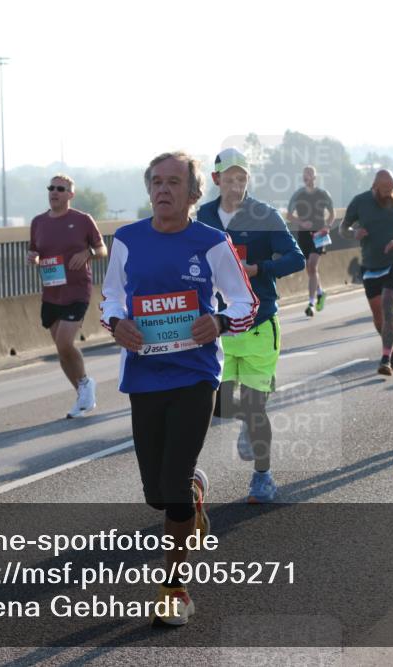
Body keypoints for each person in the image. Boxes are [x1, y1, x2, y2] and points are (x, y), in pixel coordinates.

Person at [100, 151, 258, 625]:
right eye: (156, 182)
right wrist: (116, 322)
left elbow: (244, 302)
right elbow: (110, 295)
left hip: (194, 376)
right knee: (157, 492)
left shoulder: (212, 242)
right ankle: (191, 490)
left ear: (194, 194)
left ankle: (175, 588)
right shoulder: (127, 239)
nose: (163, 190)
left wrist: (220, 321)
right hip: (144, 375)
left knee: (170, 491)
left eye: (173, 182)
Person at [198, 148, 304, 503]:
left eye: (242, 178)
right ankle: (244, 421)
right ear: (216, 180)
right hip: (220, 325)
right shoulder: (204, 217)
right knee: (220, 406)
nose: (236, 185)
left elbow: (295, 258)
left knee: (255, 405)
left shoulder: (264, 214)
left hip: (259, 322)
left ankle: (263, 477)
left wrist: (260, 269)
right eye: (229, 178)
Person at [27, 174, 107, 418]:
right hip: (52, 291)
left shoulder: (82, 220)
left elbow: (102, 249)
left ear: (70, 195)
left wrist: (88, 253)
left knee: (64, 342)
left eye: (61, 189)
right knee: (61, 350)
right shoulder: (38, 222)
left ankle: (84, 386)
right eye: (51, 187)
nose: (54, 192)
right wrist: (34, 259)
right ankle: (83, 391)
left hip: (77, 289)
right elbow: (35, 251)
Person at [341, 170, 393, 375]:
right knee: (378, 316)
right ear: (375, 186)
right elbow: (342, 227)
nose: (390, 193)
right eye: (385, 189)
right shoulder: (360, 202)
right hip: (370, 265)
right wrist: (353, 233)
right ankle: (391, 345)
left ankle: (385, 359)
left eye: (392, 188)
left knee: (388, 305)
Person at [287, 165, 336, 317]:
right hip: (303, 235)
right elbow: (289, 215)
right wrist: (301, 223)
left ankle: (311, 303)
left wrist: (327, 226)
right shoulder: (298, 194)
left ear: (315, 177)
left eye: (310, 174)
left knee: (312, 266)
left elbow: (332, 213)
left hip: (320, 234)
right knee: (309, 268)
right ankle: (320, 292)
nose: (306, 176)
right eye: (305, 174)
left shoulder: (323, 194)